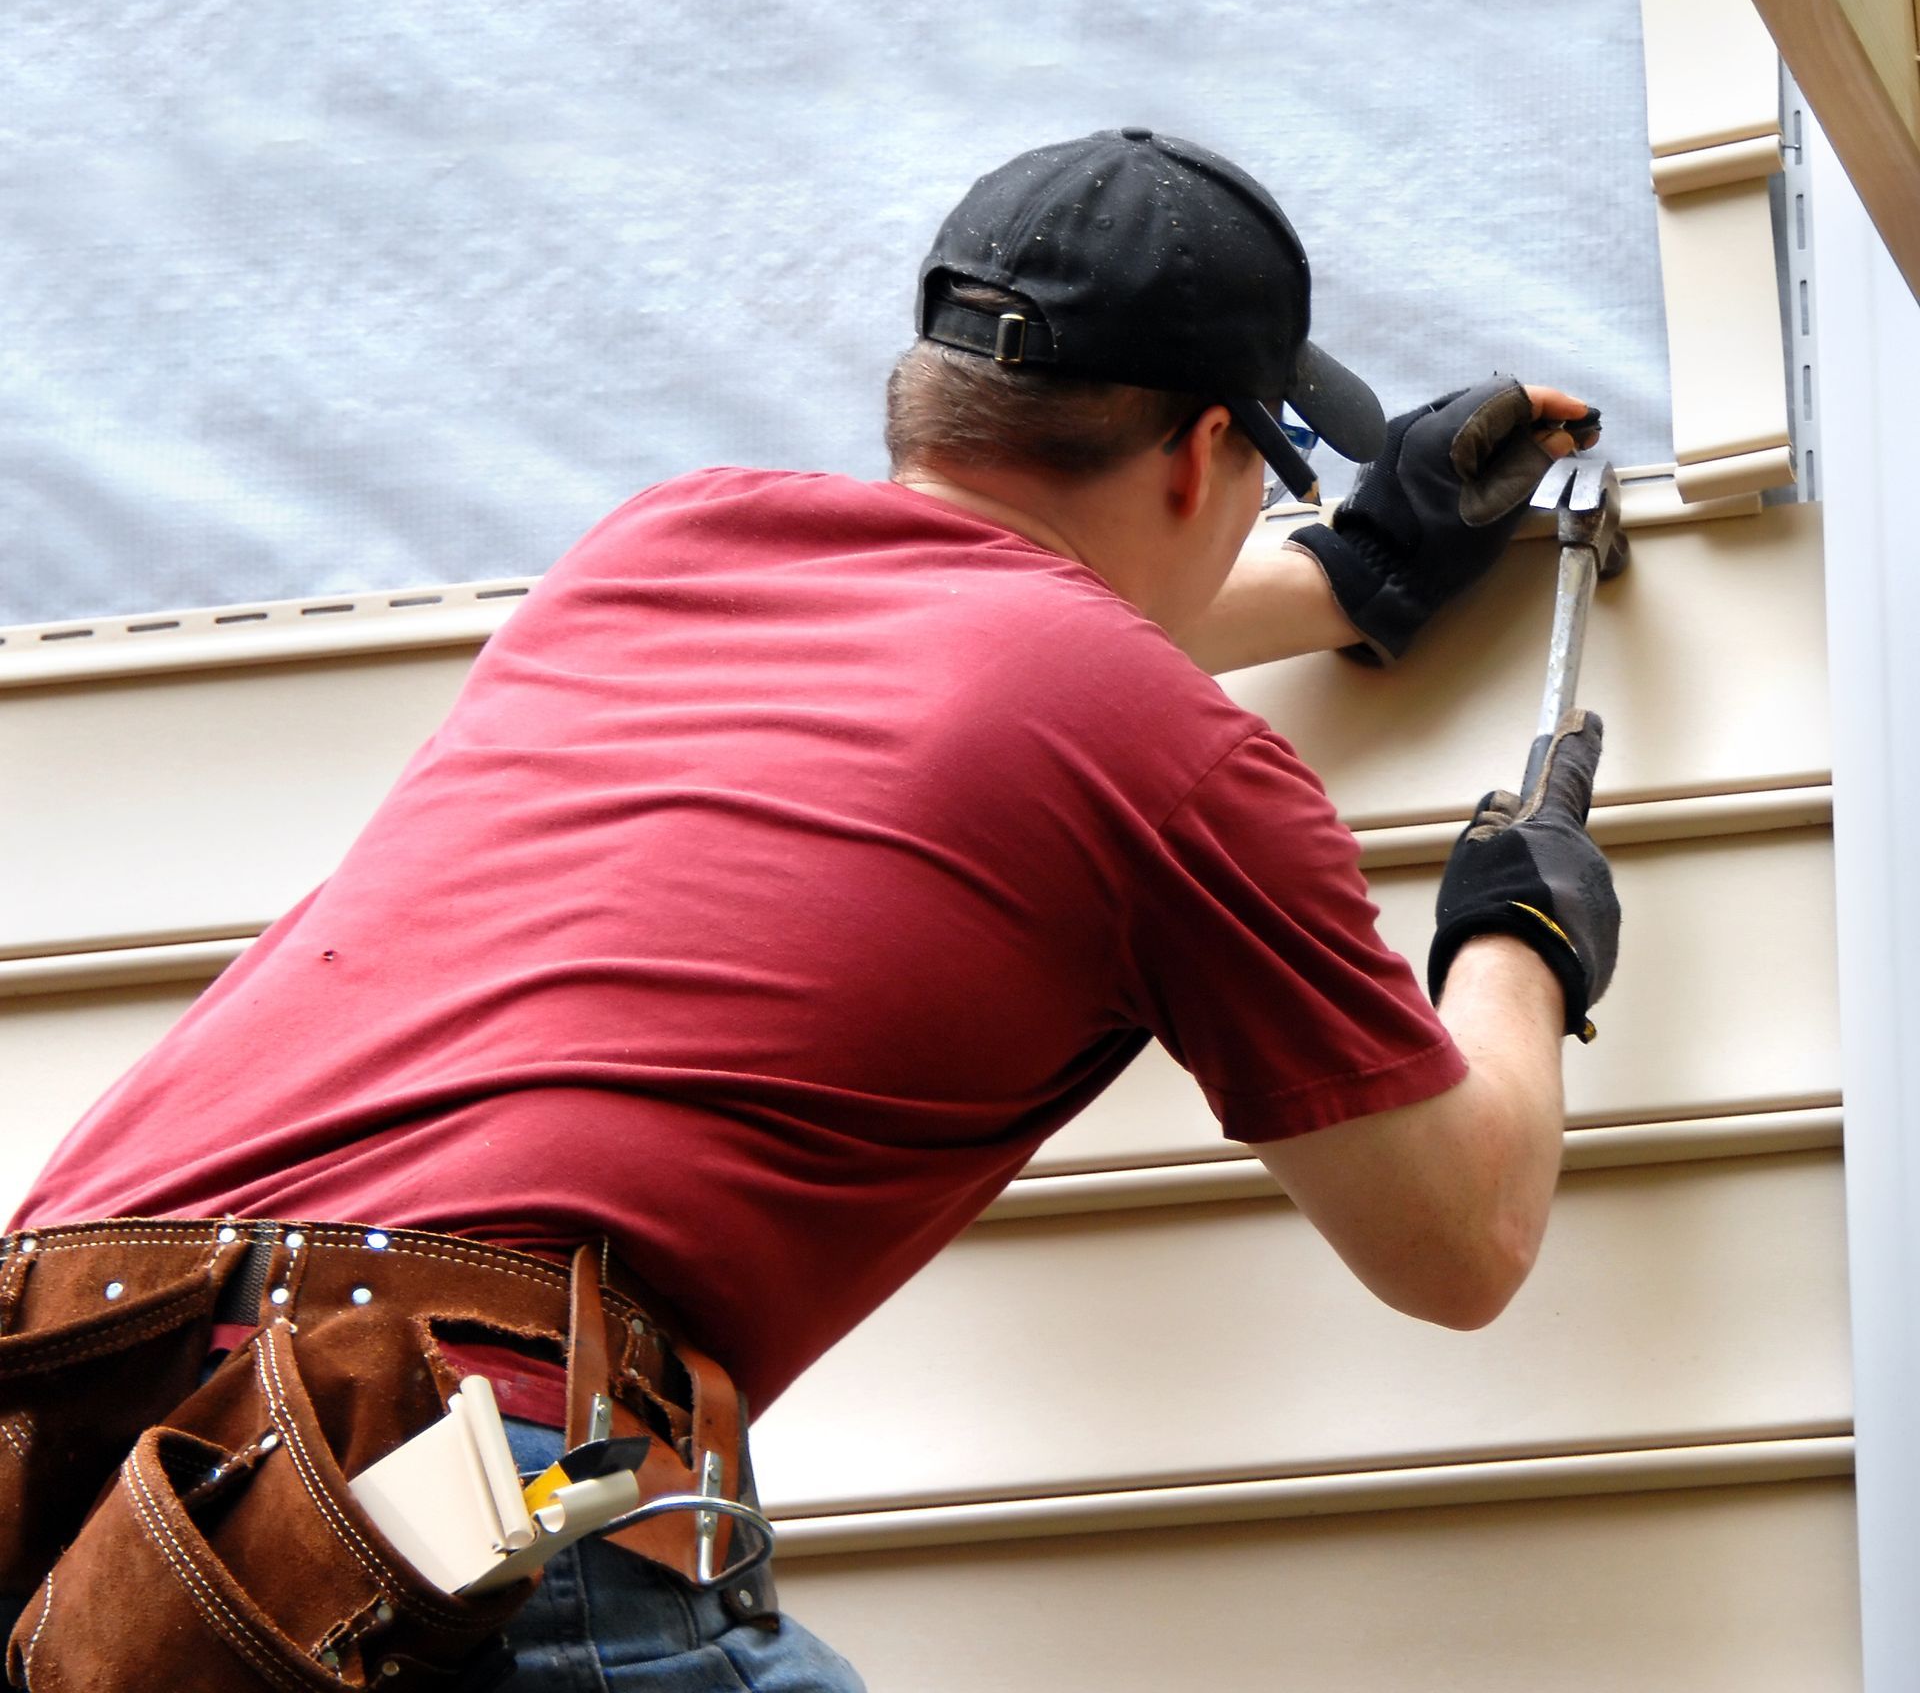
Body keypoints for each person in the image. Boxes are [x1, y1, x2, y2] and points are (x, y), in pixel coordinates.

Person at [0, 127, 1618, 1691]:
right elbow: (1457, 1243)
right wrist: (1516, 941)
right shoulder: (1170, 758)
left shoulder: (659, 553)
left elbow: (976, 658)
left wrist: (1354, 575)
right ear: (1206, 456)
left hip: (91, 1438)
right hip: (431, 1472)